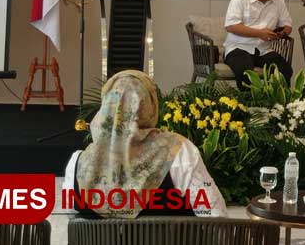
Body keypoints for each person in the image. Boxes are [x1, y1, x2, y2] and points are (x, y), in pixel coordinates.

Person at [62, 70, 227, 218]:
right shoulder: (179, 153)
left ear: (106, 108)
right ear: (149, 105)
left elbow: (75, 222)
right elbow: (216, 218)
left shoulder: (77, 165)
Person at [223, 0, 293, 88]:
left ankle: (278, 104)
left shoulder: (278, 1)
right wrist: (259, 33)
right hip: (239, 48)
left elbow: (287, 25)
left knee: (285, 70)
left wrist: (282, 33)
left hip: (263, 50)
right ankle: (249, 106)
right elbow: (231, 26)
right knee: (246, 73)